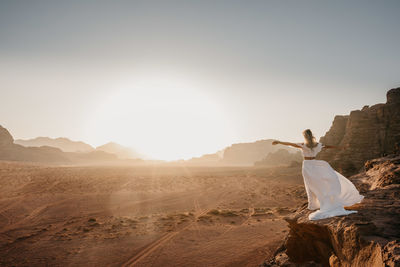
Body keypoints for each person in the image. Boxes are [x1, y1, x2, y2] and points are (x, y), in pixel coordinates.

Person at [272, 129, 364, 220]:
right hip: (315, 164)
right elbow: (328, 146)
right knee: (317, 184)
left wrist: (279, 142)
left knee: (310, 184)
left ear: (305, 136)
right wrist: (340, 148)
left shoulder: (303, 145)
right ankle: (318, 203)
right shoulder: (317, 145)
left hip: (307, 165)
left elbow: (290, 144)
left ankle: (314, 205)